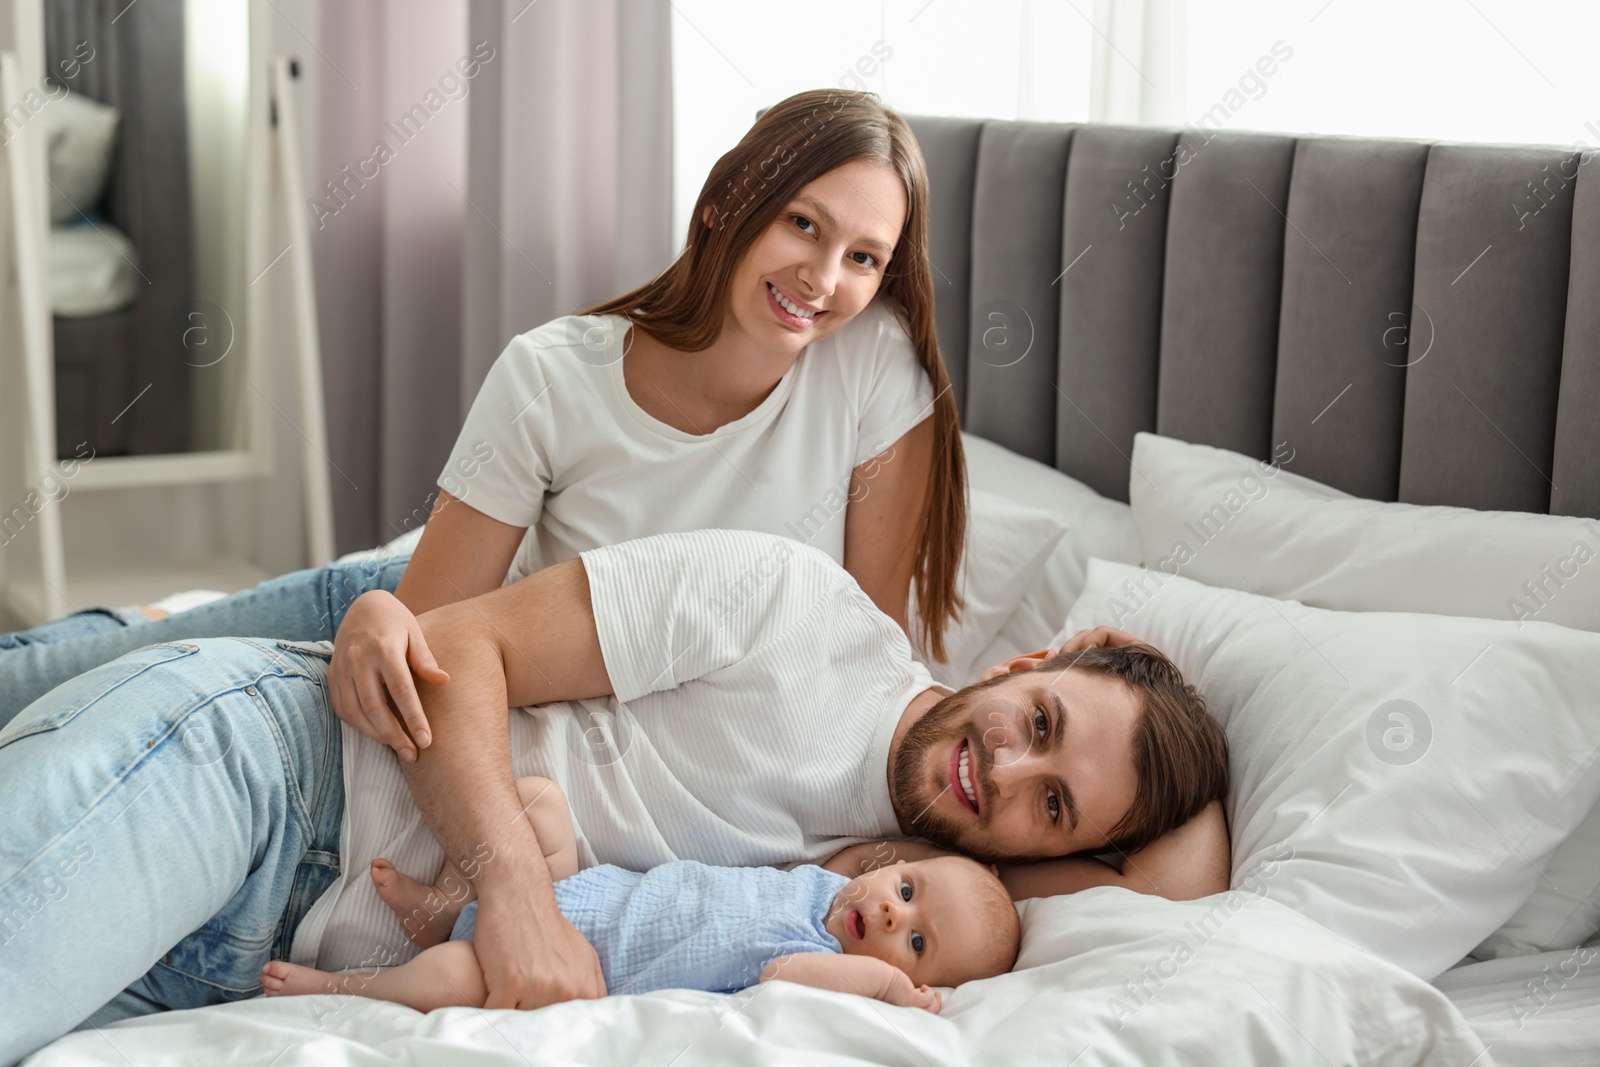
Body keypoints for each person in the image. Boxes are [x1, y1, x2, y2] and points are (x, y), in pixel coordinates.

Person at [0, 528, 1228, 1066]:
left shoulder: (911, 895)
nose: (1008, 771)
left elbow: (1187, 902)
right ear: (1024, 661)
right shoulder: (790, 607)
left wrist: (1173, 768)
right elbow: (460, 644)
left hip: (237, 954)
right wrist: (514, 887)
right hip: (270, 776)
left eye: (1055, 804)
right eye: (1042, 720)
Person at [0, 87, 968, 730]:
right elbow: (428, 629)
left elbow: (864, 642)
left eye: (863, 256)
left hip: (495, 662)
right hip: (402, 607)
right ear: (725, 203)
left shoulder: (873, 364)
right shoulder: (554, 374)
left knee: (129, 701)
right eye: (803, 222)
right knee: (70, 675)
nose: (823, 277)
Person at [259, 775, 1020, 1014]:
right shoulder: (825, 880)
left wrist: (889, 985)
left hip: (586, 963)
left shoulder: (821, 961)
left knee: (459, 976)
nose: (892, 911)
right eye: (908, 886)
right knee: (536, 802)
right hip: (584, 894)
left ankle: (347, 985)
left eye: (915, 938)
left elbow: (781, 979)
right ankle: (444, 907)